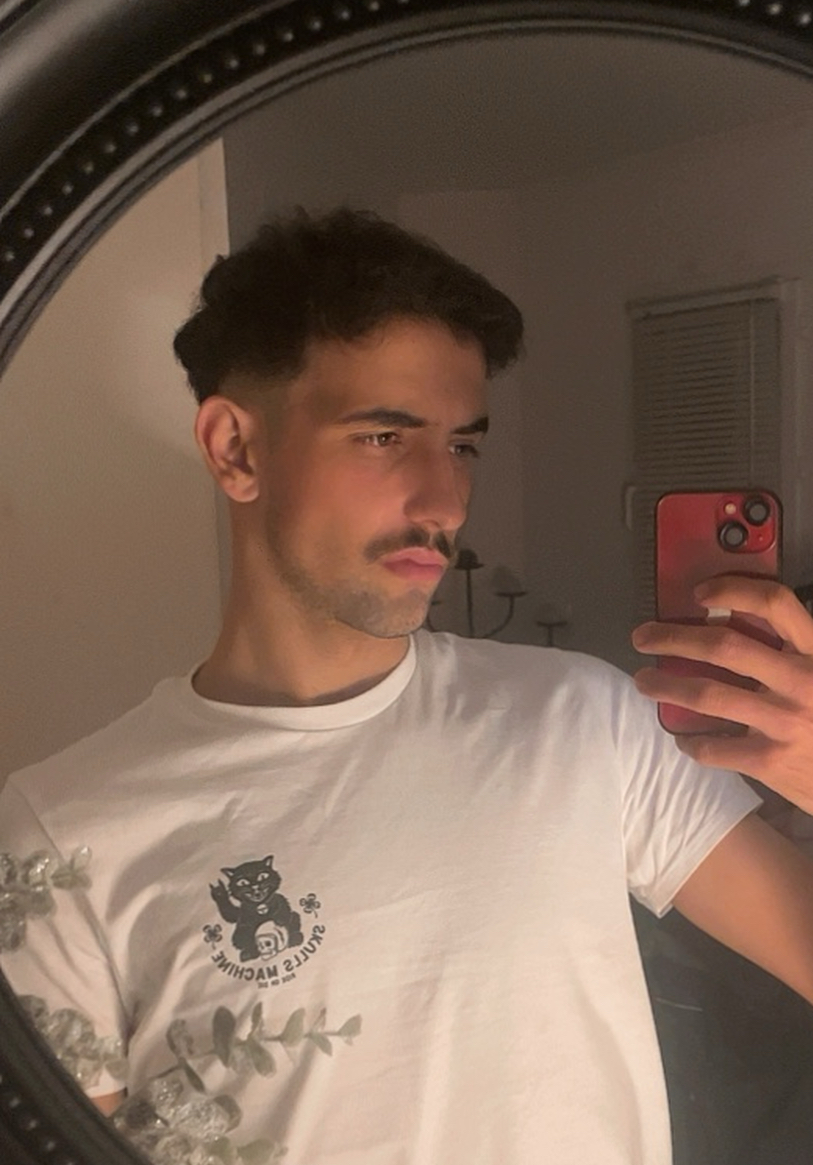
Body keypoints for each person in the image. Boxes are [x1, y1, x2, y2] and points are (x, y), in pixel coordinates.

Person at [2, 206, 813, 1165]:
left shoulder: (583, 719)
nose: (444, 501)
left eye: (462, 445)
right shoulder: (59, 835)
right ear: (235, 449)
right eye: (385, 437)